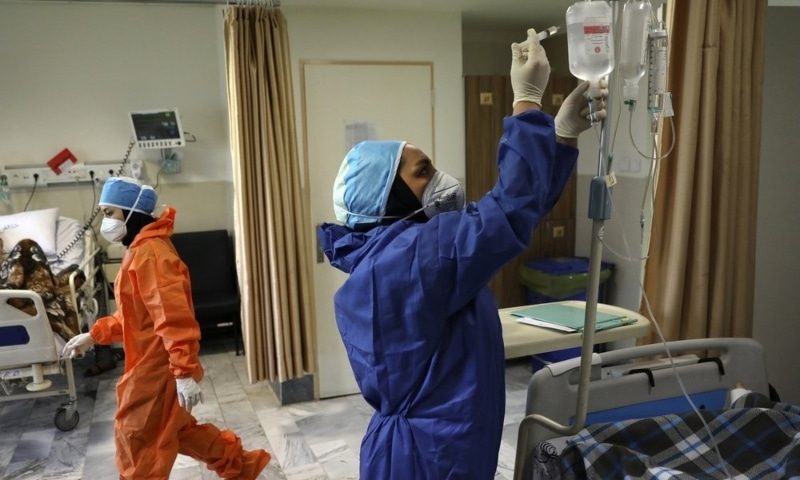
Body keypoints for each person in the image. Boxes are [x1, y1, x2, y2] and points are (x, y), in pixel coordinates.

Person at [317, 28, 607, 479]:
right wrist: (527, 102)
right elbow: (508, 210)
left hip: (441, 444)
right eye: (424, 172)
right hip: (426, 457)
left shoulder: (402, 253)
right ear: (389, 197)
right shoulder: (407, 261)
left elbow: (518, 212)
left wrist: (563, 136)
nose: (441, 178)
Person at [62, 177, 270, 480]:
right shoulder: (139, 249)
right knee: (177, 431)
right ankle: (242, 466)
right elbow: (136, 318)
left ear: (132, 213)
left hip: (158, 369)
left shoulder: (152, 255)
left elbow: (174, 319)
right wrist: (95, 335)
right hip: (152, 363)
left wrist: (183, 371)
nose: (105, 222)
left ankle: (239, 466)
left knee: (138, 439)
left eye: (110, 213)